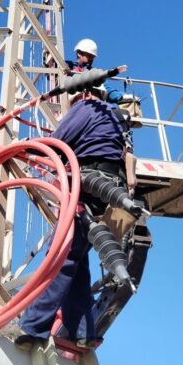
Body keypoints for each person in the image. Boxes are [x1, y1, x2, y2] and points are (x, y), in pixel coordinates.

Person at [14, 87, 134, 349]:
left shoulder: (86, 108)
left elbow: (58, 141)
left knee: (59, 254)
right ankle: (82, 331)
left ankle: (34, 327)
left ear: (83, 95)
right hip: (108, 191)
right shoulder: (116, 117)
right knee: (76, 260)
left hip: (89, 185)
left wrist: (25, 151)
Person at [65, 38, 126, 104]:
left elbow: (109, 90)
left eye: (93, 57)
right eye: (89, 56)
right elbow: (57, 66)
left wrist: (123, 96)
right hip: (77, 104)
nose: (91, 59)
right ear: (79, 53)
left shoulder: (95, 73)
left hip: (95, 107)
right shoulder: (70, 67)